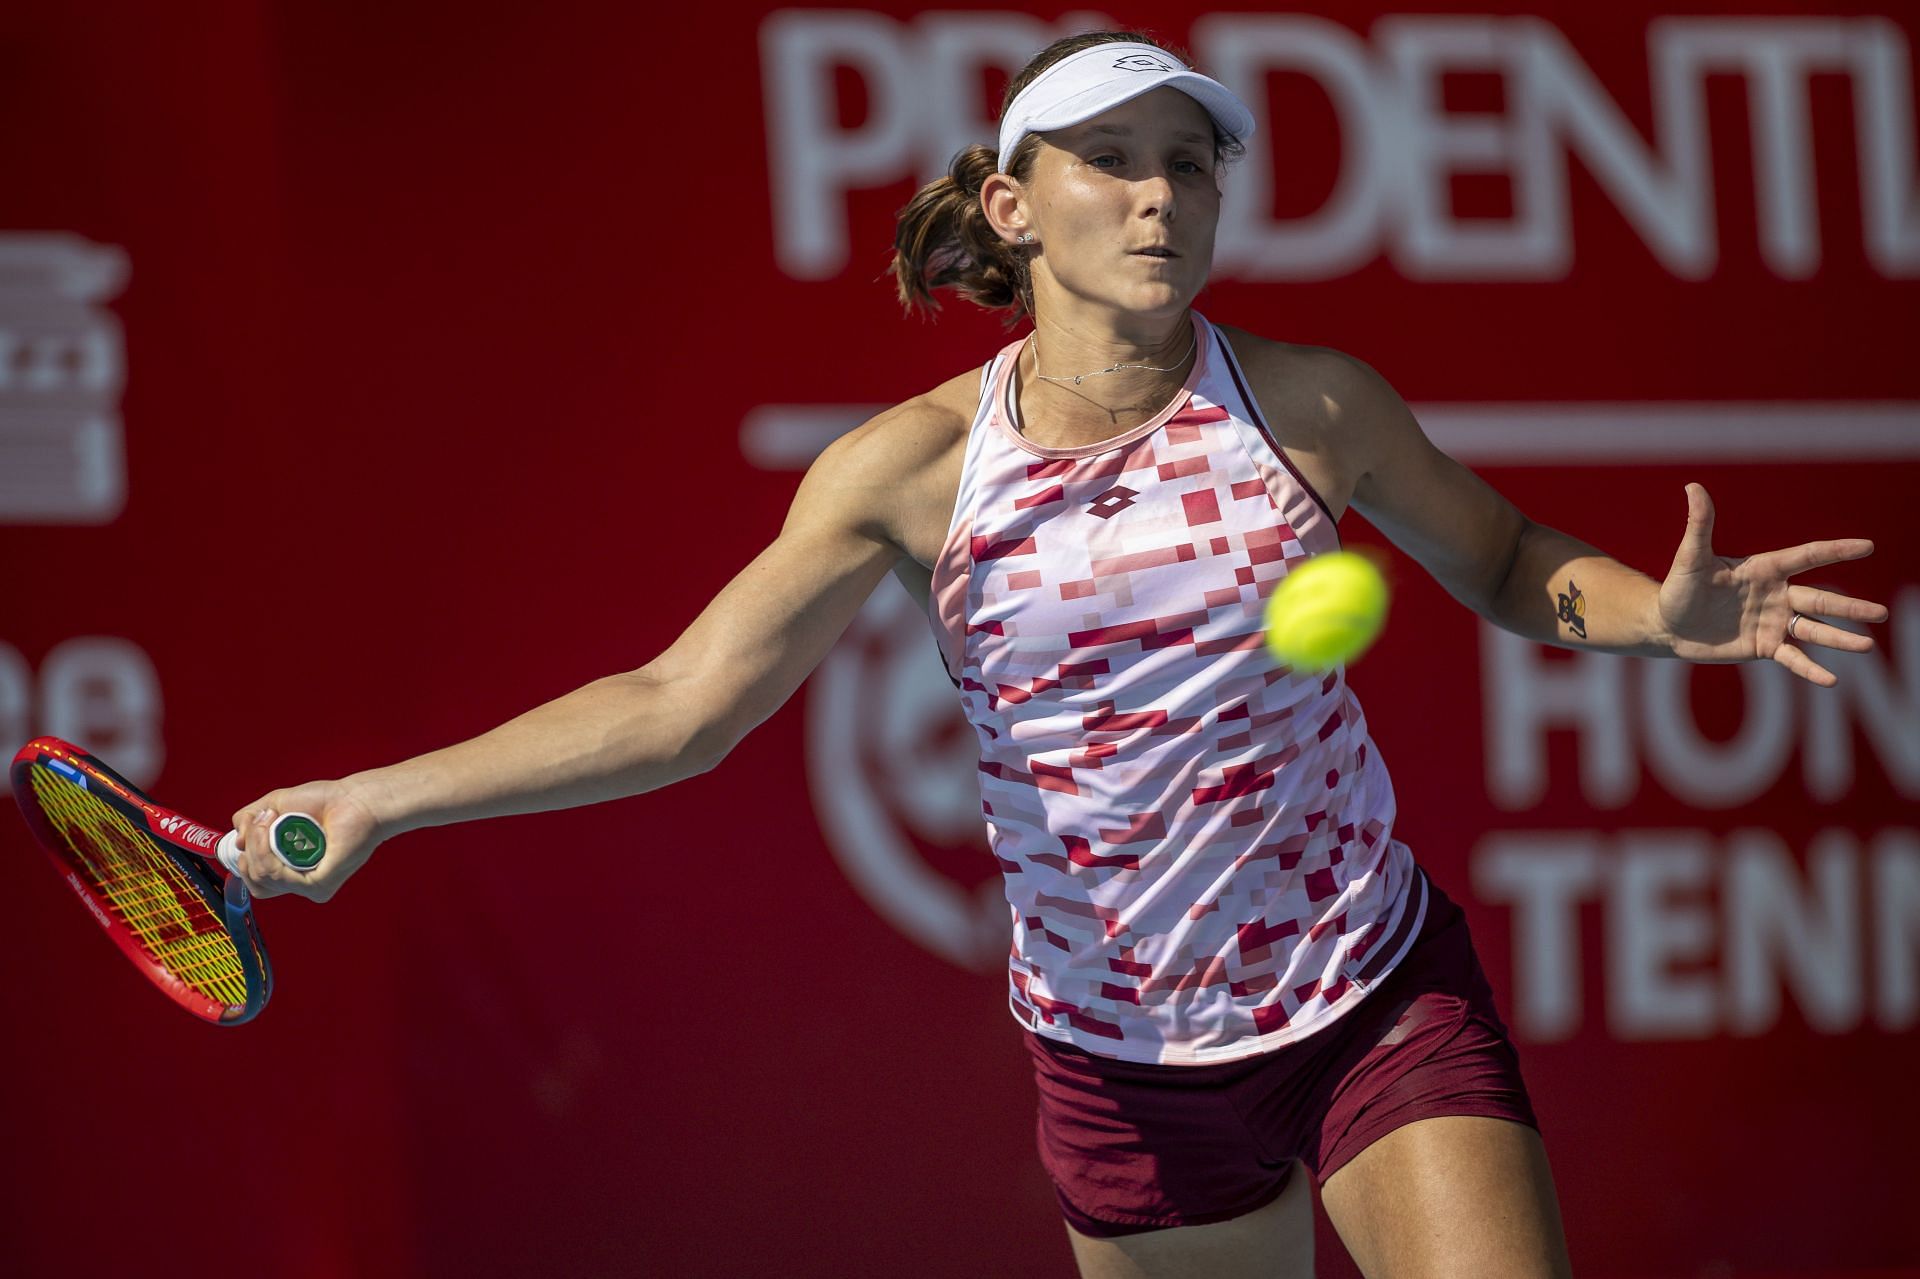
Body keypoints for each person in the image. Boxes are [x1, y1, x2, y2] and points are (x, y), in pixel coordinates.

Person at [228, 30, 1888, 1279]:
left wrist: (1659, 621)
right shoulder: (912, 472)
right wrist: (376, 801)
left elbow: (1513, 563)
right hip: (1121, 1067)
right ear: (1015, 208)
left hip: (1371, 999)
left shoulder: (1311, 405)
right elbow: (678, 707)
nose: (1162, 193)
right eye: (1112, 160)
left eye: (1192, 161)